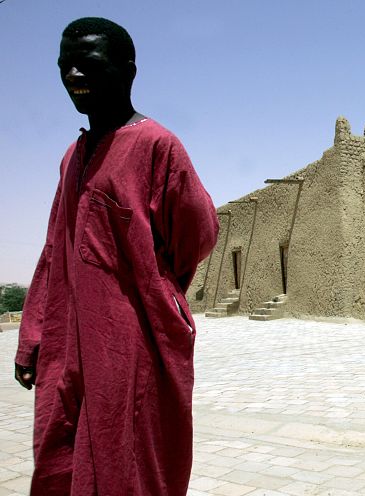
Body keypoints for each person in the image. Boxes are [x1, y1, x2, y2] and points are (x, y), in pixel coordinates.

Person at [14, 17, 219, 495]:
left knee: (129, 459)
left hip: (131, 343)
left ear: (127, 71)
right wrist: (33, 337)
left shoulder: (156, 146)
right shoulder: (73, 155)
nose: (74, 77)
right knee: (63, 456)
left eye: (88, 65)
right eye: (66, 66)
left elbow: (199, 232)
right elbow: (53, 251)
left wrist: (157, 289)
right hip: (68, 343)